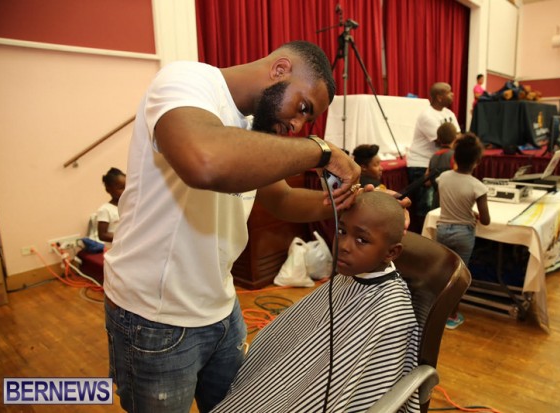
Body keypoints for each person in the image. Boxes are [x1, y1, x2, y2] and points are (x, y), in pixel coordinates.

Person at [102, 40, 367, 413]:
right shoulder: (186, 80)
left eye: (307, 121)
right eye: (303, 107)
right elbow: (206, 162)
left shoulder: (253, 129)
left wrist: (349, 202)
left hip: (222, 309)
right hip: (154, 317)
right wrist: (320, 151)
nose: (297, 125)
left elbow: (282, 199)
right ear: (279, 69)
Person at [210, 191, 420, 413]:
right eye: (341, 231)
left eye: (362, 240)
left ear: (392, 252)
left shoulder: (391, 312)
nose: (344, 245)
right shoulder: (349, 278)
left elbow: (357, 387)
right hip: (287, 381)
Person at [436, 133, 490, 329]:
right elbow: (486, 220)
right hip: (463, 234)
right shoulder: (478, 186)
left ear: (455, 157)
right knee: (459, 277)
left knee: (443, 273)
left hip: (442, 229)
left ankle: (437, 312)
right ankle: (452, 315)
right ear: (476, 161)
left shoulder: (443, 178)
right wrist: (473, 213)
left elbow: (447, 202)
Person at [406, 82, 460, 232]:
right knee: (426, 206)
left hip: (439, 162)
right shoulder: (427, 116)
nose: (452, 94)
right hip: (422, 164)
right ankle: (424, 237)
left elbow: (457, 136)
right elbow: (444, 140)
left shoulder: (449, 113)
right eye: (449, 92)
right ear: (439, 97)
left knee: (438, 204)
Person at [426, 122, 457, 209]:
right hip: (452, 201)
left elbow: (427, 182)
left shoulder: (433, 157)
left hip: (436, 200)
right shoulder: (455, 156)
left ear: (438, 139)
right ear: (455, 138)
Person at [95, 167, 126, 244]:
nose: (125, 190)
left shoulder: (129, 206)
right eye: (121, 188)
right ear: (108, 189)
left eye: (127, 187)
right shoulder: (105, 209)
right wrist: (124, 237)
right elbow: (102, 235)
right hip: (114, 249)